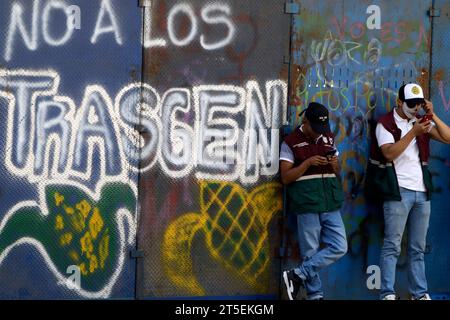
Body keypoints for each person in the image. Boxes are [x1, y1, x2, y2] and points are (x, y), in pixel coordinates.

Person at [366, 83, 450, 300]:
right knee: (392, 245)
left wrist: (433, 116)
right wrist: (414, 132)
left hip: (422, 192)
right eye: (411, 104)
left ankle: (419, 293)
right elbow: (389, 154)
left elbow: (448, 137)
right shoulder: (385, 123)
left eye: (418, 104)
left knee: (417, 248)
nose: (415, 109)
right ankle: (387, 293)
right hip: (397, 192)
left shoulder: (421, 122)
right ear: (399, 102)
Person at [280, 102, 347, 300]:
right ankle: (315, 295)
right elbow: (285, 177)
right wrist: (308, 163)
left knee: (340, 246)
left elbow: (338, 171)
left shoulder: (328, 138)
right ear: (305, 122)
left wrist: (335, 164)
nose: (319, 134)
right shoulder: (290, 142)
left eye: (322, 129)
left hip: (330, 203)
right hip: (307, 203)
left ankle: (298, 274)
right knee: (310, 251)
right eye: (315, 129)